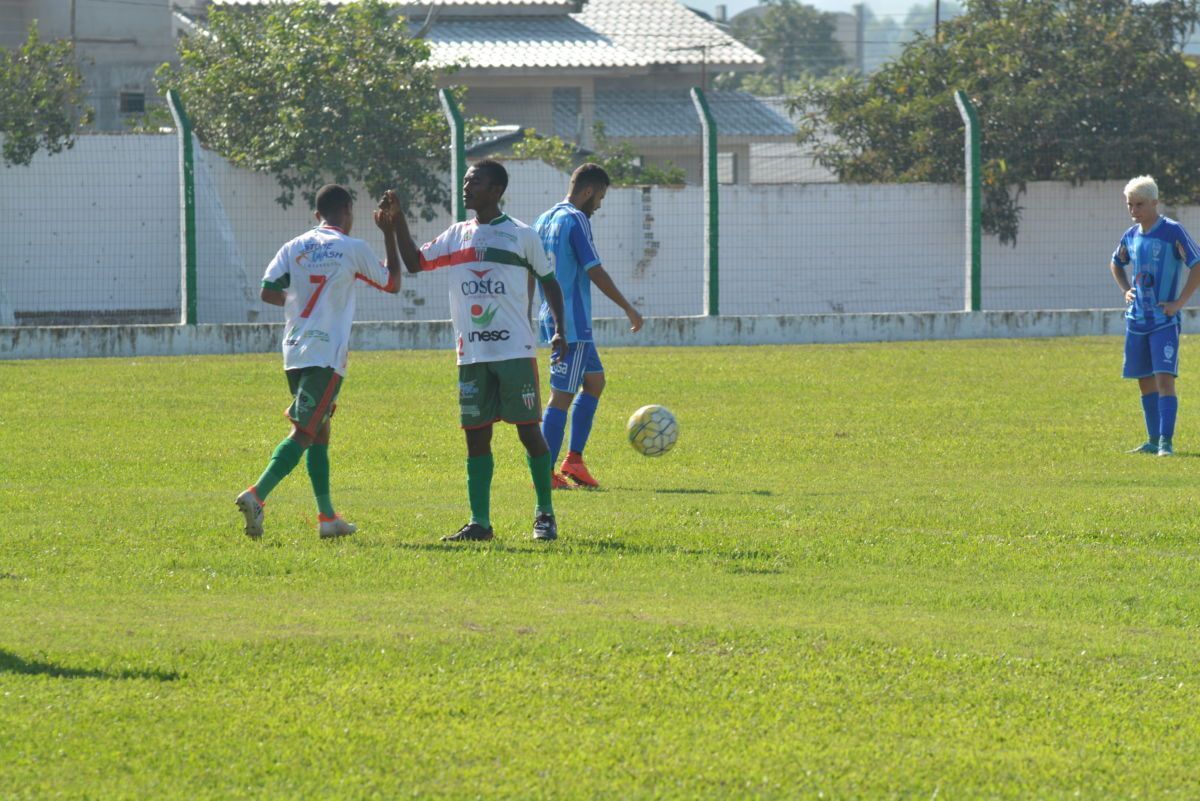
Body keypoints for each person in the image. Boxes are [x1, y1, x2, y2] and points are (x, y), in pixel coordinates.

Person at [385, 159, 569, 542]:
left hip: (514, 352)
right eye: (466, 181)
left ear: (496, 190)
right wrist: (398, 221)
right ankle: (480, 523)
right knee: (475, 437)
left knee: (528, 432)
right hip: (471, 354)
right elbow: (415, 263)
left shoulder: (522, 235)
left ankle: (545, 514)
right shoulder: (456, 235)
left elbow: (550, 283)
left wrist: (560, 331)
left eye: (475, 181)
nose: (467, 187)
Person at [235, 184, 401, 538]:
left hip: (295, 350)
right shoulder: (351, 248)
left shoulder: (293, 246)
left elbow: (267, 290)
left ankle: (327, 518)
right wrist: (389, 234)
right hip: (326, 355)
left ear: (317, 215)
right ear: (348, 211)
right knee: (306, 430)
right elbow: (392, 283)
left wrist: (300, 307)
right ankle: (257, 494)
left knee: (320, 432)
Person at [530, 163, 643, 489]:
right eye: (601, 197)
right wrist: (628, 308)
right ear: (589, 191)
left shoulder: (544, 219)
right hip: (571, 325)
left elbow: (532, 269)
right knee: (560, 397)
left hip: (554, 318)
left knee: (595, 382)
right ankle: (545, 471)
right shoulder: (575, 219)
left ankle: (574, 461)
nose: (600, 205)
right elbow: (594, 269)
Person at [1109, 175, 1200, 456]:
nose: (1134, 211)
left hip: (1163, 322)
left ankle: (1166, 442)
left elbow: (1196, 264)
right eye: (1130, 205)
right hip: (1137, 321)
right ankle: (1151, 439)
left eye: (1139, 205)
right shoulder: (1131, 236)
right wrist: (1126, 290)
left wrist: (1179, 302)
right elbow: (1116, 262)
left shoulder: (1172, 232)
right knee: (1144, 380)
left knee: (1164, 380)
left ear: (1154, 203)